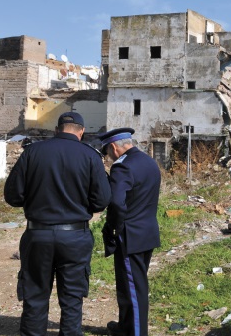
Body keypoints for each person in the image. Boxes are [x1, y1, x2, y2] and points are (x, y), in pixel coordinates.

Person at [4, 111, 111, 336]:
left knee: (35, 296)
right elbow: (101, 201)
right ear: (81, 132)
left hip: (38, 234)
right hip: (75, 236)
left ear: (56, 130)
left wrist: (35, 200)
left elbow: (13, 196)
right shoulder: (90, 156)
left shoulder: (32, 152)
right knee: (72, 299)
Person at [99, 127, 161, 336]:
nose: (108, 158)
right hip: (148, 231)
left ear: (114, 148)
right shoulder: (149, 162)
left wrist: (113, 227)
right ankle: (125, 327)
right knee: (130, 286)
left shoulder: (122, 167)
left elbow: (117, 202)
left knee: (133, 290)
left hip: (130, 236)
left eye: (107, 153)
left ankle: (136, 332)